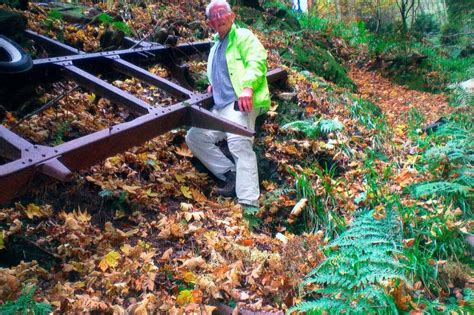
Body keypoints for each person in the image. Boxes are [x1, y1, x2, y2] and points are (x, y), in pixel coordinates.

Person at [185, 0, 271, 209]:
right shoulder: (215, 46)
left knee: (238, 143)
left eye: (222, 13)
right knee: (194, 137)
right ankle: (230, 173)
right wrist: (213, 85)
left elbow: (257, 60)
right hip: (220, 106)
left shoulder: (243, 37)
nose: (218, 18)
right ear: (210, 23)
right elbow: (224, 71)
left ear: (232, 16)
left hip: (240, 103)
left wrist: (248, 87)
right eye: (213, 16)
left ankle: (248, 202)